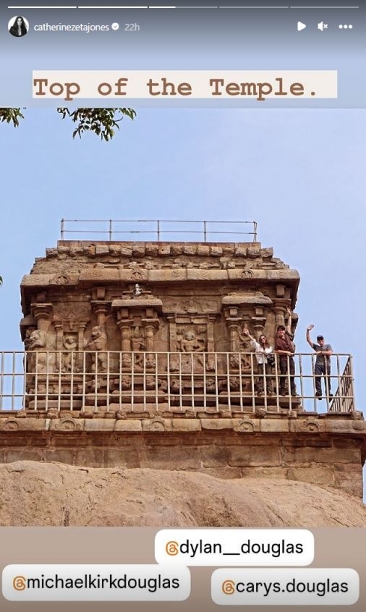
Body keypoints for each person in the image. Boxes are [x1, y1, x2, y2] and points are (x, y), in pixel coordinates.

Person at [243, 329, 274, 396]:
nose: (263, 339)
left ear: (266, 339)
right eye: (261, 338)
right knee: (260, 376)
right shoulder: (258, 346)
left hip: (267, 363)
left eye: (264, 338)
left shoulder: (269, 347)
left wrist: (263, 352)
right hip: (260, 362)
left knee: (268, 376)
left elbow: (269, 353)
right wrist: (248, 334)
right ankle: (260, 390)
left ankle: (270, 390)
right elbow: (253, 341)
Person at [275, 308, 298, 396]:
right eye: (279, 331)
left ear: (284, 331)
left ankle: (293, 390)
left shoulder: (287, 336)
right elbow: (277, 351)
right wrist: (286, 353)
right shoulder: (278, 340)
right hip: (283, 358)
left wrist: (289, 315)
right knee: (283, 373)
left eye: (282, 330)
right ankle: (282, 390)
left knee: (292, 374)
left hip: (290, 357)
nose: (281, 332)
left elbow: (288, 325)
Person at [306, 324, 333, 400]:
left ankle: (328, 393)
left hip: (326, 364)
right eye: (319, 340)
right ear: (318, 341)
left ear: (323, 340)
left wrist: (320, 352)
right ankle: (319, 393)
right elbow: (308, 340)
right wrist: (307, 331)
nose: (321, 341)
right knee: (317, 378)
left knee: (327, 379)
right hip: (318, 364)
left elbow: (330, 353)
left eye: (322, 340)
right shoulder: (316, 347)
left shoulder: (327, 346)